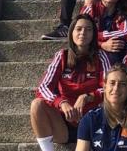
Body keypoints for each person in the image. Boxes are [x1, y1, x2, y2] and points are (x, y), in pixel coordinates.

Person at [31, 14, 112, 151]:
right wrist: (61, 103)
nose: (83, 33)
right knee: (37, 104)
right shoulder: (62, 56)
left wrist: (88, 96)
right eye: (79, 29)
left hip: (91, 122)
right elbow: (43, 87)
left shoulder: (101, 57)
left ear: (93, 34)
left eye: (88, 29)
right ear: (71, 33)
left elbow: (109, 88)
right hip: (64, 125)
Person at [75, 66, 127, 151]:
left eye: (122, 84)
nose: (116, 88)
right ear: (104, 86)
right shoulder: (90, 119)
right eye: (112, 83)